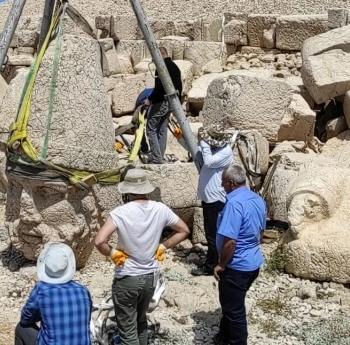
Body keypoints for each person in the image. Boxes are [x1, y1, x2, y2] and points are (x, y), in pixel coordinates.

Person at [94, 169, 190, 345]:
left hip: (127, 277)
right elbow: (184, 230)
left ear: (127, 190)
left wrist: (112, 253)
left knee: (128, 331)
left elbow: (100, 241)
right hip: (150, 277)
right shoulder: (160, 209)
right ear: (146, 188)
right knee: (141, 322)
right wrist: (163, 246)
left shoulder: (120, 212)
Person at [214, 164, 266, 345]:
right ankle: (223, 336)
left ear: (230, 183)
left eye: (222, 183)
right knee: (232, 303)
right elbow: (260, 233)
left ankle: (236, 341)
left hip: (236, 266)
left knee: (235, 311)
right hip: (253, 262)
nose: (222, 186)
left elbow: (230, 242)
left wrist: (221, 265)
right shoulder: (257, 199)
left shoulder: (234, 204)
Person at [15, 242, 92, 345]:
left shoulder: (41, 289)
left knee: (21, 328)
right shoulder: (83, 291)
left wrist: (41, 313)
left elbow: (25, 319)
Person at [191, 126, 234, 277]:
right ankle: (215, 261)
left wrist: (204, 144)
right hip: (208, 197)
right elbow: (199, 154)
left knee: (213, 234)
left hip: (215, 198)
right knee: (211, 231)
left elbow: (208, 161)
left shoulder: (226, 151)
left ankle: (211, 266)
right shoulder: (215, 148)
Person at [143, 48, 182, 164]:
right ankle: (159, 155)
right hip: (172, 102)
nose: (154, 61)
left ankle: (157, 157)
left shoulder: (162, 67)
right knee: (162, 129)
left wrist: (150, 99)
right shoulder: (175, 67)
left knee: (151, 128)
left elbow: (160, 87)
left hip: (161, 101)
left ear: (161, 55)